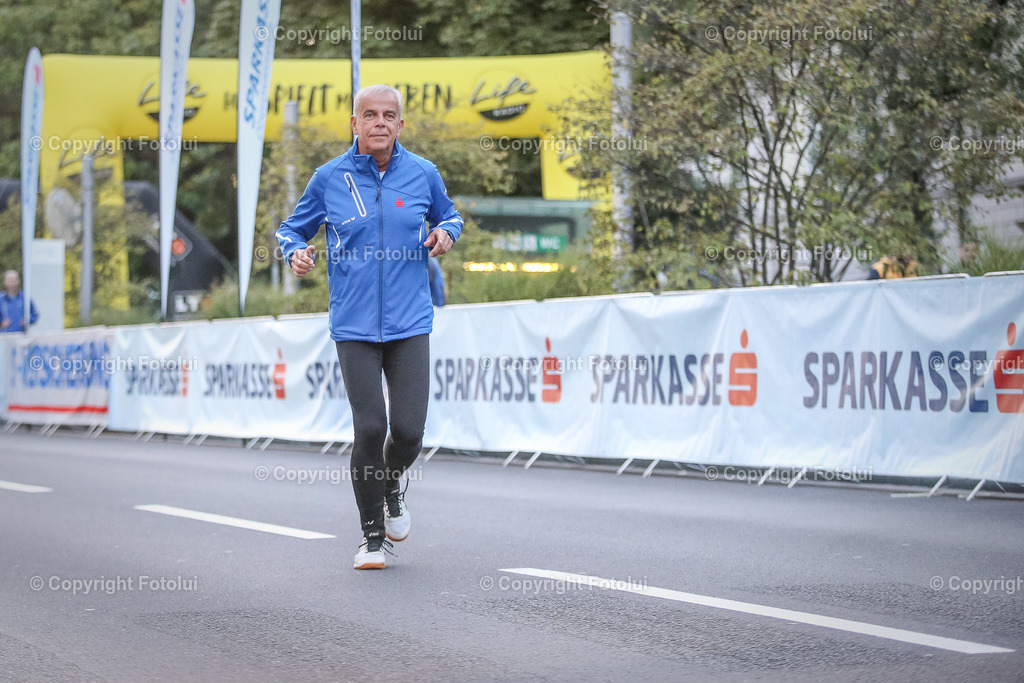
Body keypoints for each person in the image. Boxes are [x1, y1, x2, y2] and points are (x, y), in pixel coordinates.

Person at [275, 84, 462, 570]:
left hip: (410, 322)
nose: (380, 123)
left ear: (400, 124)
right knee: (370, 426)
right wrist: (295, 250)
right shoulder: (329, 178)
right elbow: (292, 228)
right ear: (354, 123)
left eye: (389, 115)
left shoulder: (423, 173)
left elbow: (452, 215)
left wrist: (445, 232)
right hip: (354, 325)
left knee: (407, 432)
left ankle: (390, 483)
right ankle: (371, 538)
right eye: (370, 115)